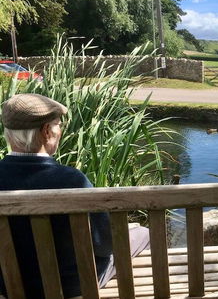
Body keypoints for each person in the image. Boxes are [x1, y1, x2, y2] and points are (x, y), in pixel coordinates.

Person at [0, 94, 149, 298]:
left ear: (9, 133)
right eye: (58, 125)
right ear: (46, 132)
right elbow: (106, 245)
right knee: (142, 233)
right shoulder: (71, 180)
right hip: (72, 287)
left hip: (8, 288)